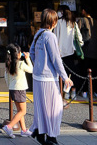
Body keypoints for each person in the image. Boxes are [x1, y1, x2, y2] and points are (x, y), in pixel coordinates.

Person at [29, 9, 73, 145]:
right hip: (48, 78)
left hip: (37, 77)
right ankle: (51, 136)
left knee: (41, 107)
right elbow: (56, 59)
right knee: (55, 108)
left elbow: (31, 52)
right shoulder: (50, 36)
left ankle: (40, 132)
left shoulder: (38, 33)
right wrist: (65, 77)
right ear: (53, 21)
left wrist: (38, 65)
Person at [2, 44, 34, 138]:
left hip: (12, 89)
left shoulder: (8, 64)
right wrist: (28, 58)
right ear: (18, 54)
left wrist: (10, 86)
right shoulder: (20, 64)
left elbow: (6, 77)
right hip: (20, 89)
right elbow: (31, 70)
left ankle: (24, 130)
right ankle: (9, 126)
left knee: (20, 110)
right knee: (23, 111)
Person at [53, 5, 82, 99]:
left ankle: (63, 92)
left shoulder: (57, 23)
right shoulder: (73, 23)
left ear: (61, 12)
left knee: (62, 72)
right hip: (71, 52)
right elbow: (79, 39)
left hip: (60, 52)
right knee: (72, 72)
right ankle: (72, 91)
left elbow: (55, 37)